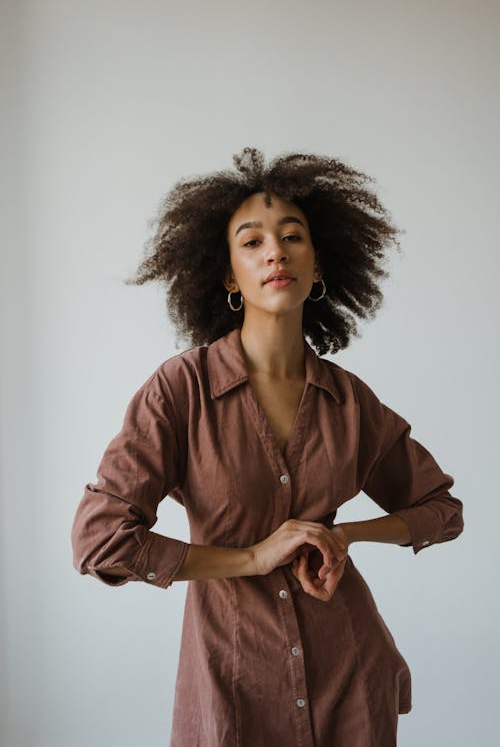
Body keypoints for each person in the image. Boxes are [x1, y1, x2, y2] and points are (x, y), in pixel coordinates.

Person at [70, 147, 464, 747]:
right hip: (234, 685)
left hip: (350, 680)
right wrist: (251, 557)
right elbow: (101, 541)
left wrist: (346, 535)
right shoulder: (184, 390)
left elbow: (443, 510)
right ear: (228, 274)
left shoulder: (349, 401)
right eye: (252, 241)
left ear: (318, 263)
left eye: (293, 237)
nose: (275, 251)